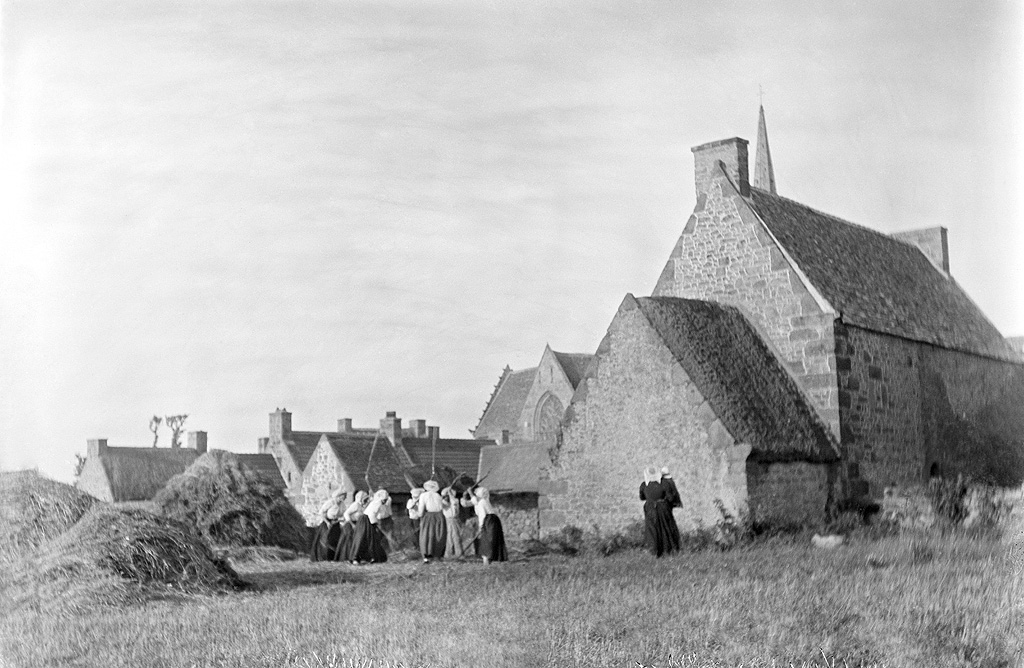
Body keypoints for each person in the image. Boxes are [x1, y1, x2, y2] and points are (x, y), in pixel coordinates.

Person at [639, 467, 681, 557]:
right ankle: (667, 549)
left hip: (650, 508)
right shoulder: (664, 484)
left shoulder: (644, 485)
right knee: (665, 527)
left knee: (652, 529)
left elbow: (642, 497)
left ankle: (653, 550)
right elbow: (670, 497)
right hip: (663, 507)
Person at [461, 486, 507, 564]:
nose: (475, 496)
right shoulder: (478, 502)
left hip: (489, 521)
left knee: (487, 540)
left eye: (476, 495)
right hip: (489, 521)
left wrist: (481, 527)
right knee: (486, 541)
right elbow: (466, 503)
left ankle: (487, 560)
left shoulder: (482, 502)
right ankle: (487, 559)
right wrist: (464, 496)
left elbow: (483, 515)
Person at [310, 488, 347, 562]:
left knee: (336, 540)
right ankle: (324, 557)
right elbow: (321, 512)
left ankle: (333, 558)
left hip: (336, 523)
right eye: (342, 496)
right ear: (338, 496)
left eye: (344, 497)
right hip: (327, 523)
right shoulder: (330, 502)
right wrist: (327, 522)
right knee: (326, 540)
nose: (343, 498)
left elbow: (343, 514)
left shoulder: (342, 504)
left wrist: (341, 519)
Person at [416, 480, 447, 563]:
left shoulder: (423, 495)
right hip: (440, 516)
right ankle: (437, 555)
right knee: (438, 535)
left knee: (427, 536)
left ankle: (427, 556)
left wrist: (419, 515)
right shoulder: (438, 495)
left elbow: (421, 510)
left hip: (429, 516)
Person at [359, 489, 390, 563]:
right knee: (371, 539)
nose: (384, 501)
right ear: (380, 499)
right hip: (367, 520)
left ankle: (375, 557)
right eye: (384, 500)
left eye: (386, 500)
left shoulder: (378, 503)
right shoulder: (377, 503)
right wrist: (374, 524)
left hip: (369, 520)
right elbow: (372, 514)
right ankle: (372, 557)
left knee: (373, 539)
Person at [341, 490, 370, 564]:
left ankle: (359, 557)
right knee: (352, 541)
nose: (366, 500)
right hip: (351, 524)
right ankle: (351, 558)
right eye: (365, 499)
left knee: (360, 541)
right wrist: (351, 524)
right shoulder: (355, 505)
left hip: (358, 525)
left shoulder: (363, 506)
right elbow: (346, 513)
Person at [441, 486, 465, 559]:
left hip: (454, 520)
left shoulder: (455, 501)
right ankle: (448, 554)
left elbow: (454, 502)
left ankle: (459, 553)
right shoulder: (443, 502)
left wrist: (450, 494)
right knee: (449, 537)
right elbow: (444, 505)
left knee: (456, 536)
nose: (446, 497)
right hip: (448, 520)